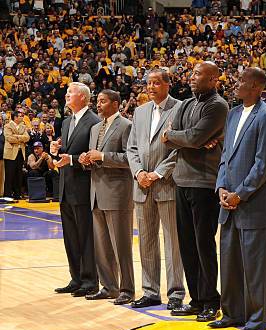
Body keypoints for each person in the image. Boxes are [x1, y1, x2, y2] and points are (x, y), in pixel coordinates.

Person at [208, 67, 266, 330]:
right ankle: (232, 313)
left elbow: (263, 163)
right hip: (228, 202)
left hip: (253, 204)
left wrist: (241, 193)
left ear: (257, 87)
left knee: (256, 267)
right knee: (230, 261)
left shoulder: (265, 115)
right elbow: (225, 155)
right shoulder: (234, 113)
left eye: (242, 81)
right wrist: (222, 188)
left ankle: (257, 319)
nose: (236, 84)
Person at [162, 62, 229, 322]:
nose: (192, 78)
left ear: (213, 79)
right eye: (192, 73)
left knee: (204, 244)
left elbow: (192, 138)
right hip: (182, 180)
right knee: (187, 245)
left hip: (204, 182)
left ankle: (212, 300)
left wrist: (181, 137)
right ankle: (197, 299)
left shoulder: (218, 105)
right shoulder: (185, 104)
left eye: (198, 74)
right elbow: (171, 137)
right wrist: (184, 137)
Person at [126, 69, 185, 311]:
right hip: (142, 186)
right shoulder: (140, 112)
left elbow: (180, 147)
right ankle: (150, 291)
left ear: (167, 85)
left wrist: (158, 173)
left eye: (156, 83)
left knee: (173, 242)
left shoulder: (180, 108)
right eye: (148, 83)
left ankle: (175, 292)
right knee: (146, 241)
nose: (151, 87)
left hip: (167, 184)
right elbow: (131, 148)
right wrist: (139, 172)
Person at [79, 90, 135, 305]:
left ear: (115, 104)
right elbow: (95, 157)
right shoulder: (95, 128)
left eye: (102, 101)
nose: (98, 105)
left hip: (118, 193)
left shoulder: (126, 126)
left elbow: (130, 158)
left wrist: (102, 156)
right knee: (102, 246)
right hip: (96, 192)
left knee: (121, 245)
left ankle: (127, 289)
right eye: (98, 101)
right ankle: (109, 287)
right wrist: (87, 160)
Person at [51, 82, 101, 297]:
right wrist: (56, 150)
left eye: (70, 93)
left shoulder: (94, 122)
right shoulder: (66, 122)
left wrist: (69, 159)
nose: (67, 96)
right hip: (65, 187)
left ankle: (90, 281)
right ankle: (76, 277)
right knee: (70, 236)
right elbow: (65, 152)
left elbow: (93, 157)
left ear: (82, 97)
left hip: (83, 187)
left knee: (86, 236)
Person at [3, 110, 29, 200]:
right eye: (20, 116)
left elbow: (27, 137)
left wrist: (17, 136)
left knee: (19, 174)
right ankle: (7, 195)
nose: (22, 117)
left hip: (20, 153)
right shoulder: (7, 126)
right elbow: (9, 138)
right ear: (15, 117)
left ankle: (17, 194)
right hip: (10, 153)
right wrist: (21, 138)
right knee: (9, 174)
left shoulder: (23, 126)